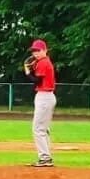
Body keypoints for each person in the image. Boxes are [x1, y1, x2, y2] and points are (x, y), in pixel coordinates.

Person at [23, 38, 56, 167]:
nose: (35, 53)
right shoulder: (43, 62)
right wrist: (32, 68)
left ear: (45, 50)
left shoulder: (43, 62)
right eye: (33, 51)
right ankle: (46, 157)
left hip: (44, 97)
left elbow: (37, 81)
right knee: (43, 129)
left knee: (38, 129)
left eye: (38, 50)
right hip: (47, 96)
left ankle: (44, 158)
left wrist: (27, 71)